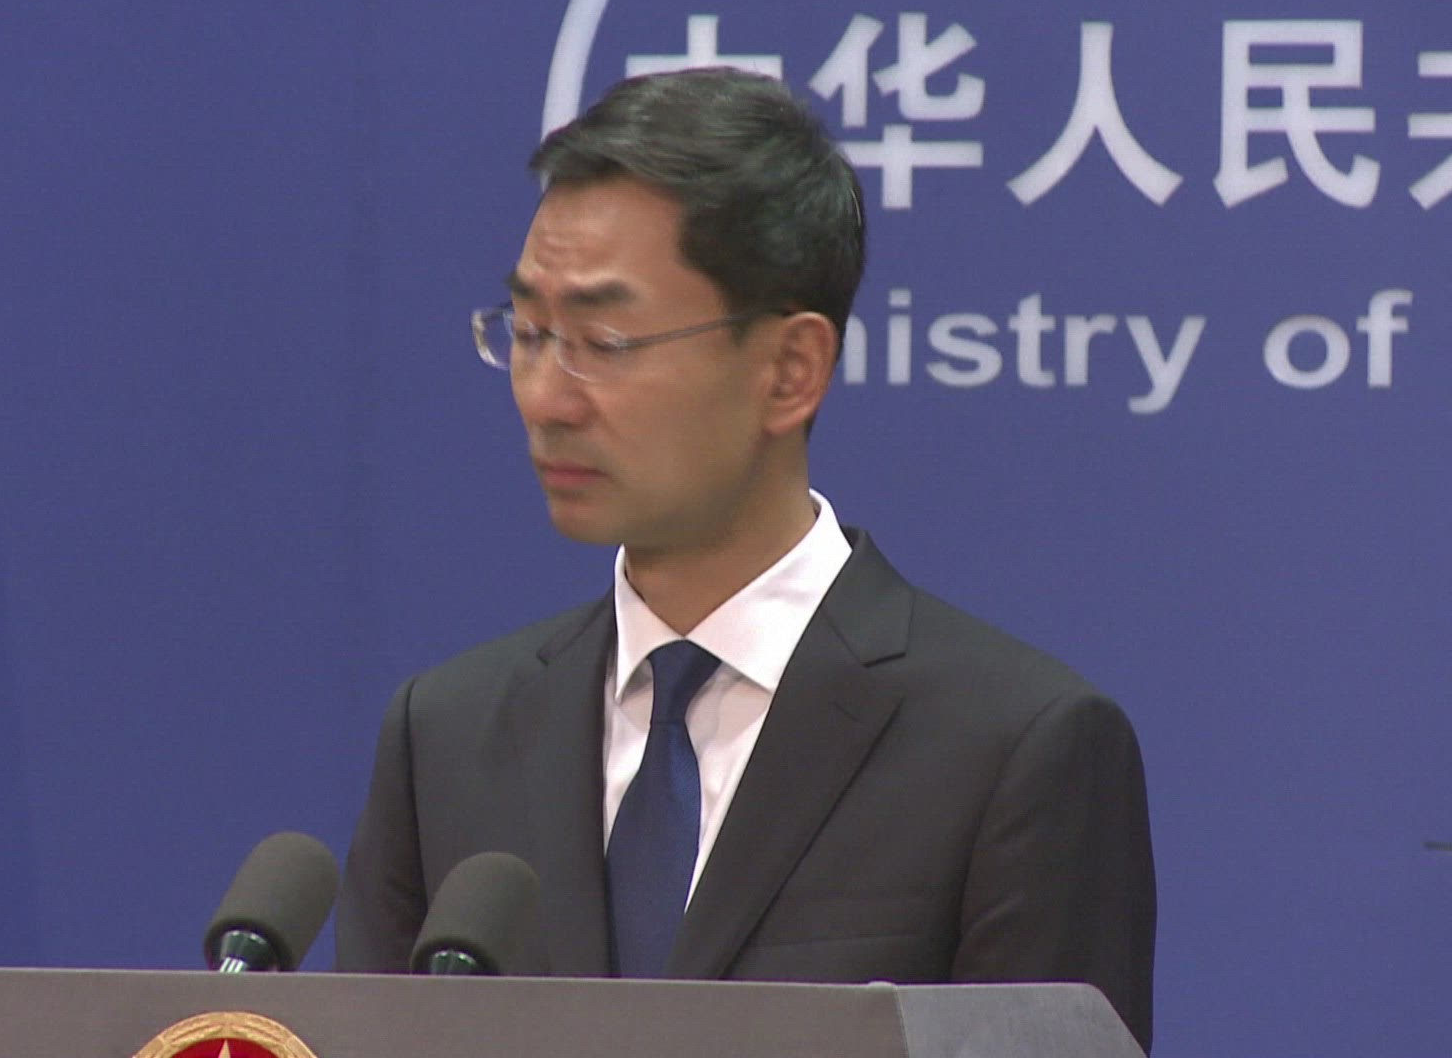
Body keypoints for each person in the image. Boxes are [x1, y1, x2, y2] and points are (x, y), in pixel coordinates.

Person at [335, 67, 1156, 1051]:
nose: (546, 397)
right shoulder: (448, 735)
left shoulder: (1015, 747)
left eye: (604, 339)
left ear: (789, 371)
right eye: (529, 332)